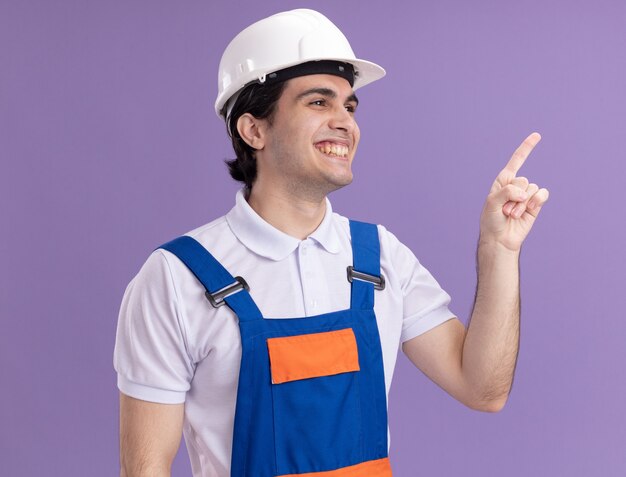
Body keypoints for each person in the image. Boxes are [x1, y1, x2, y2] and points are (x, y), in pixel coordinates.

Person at [114, 8, 549, 477]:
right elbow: (145, 469)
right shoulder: (177, 278)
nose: (345, 122)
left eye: (350, 106)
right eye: (319, 102)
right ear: (253, 129)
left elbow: (482, 389)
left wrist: (499, 251)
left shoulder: (380, 257)